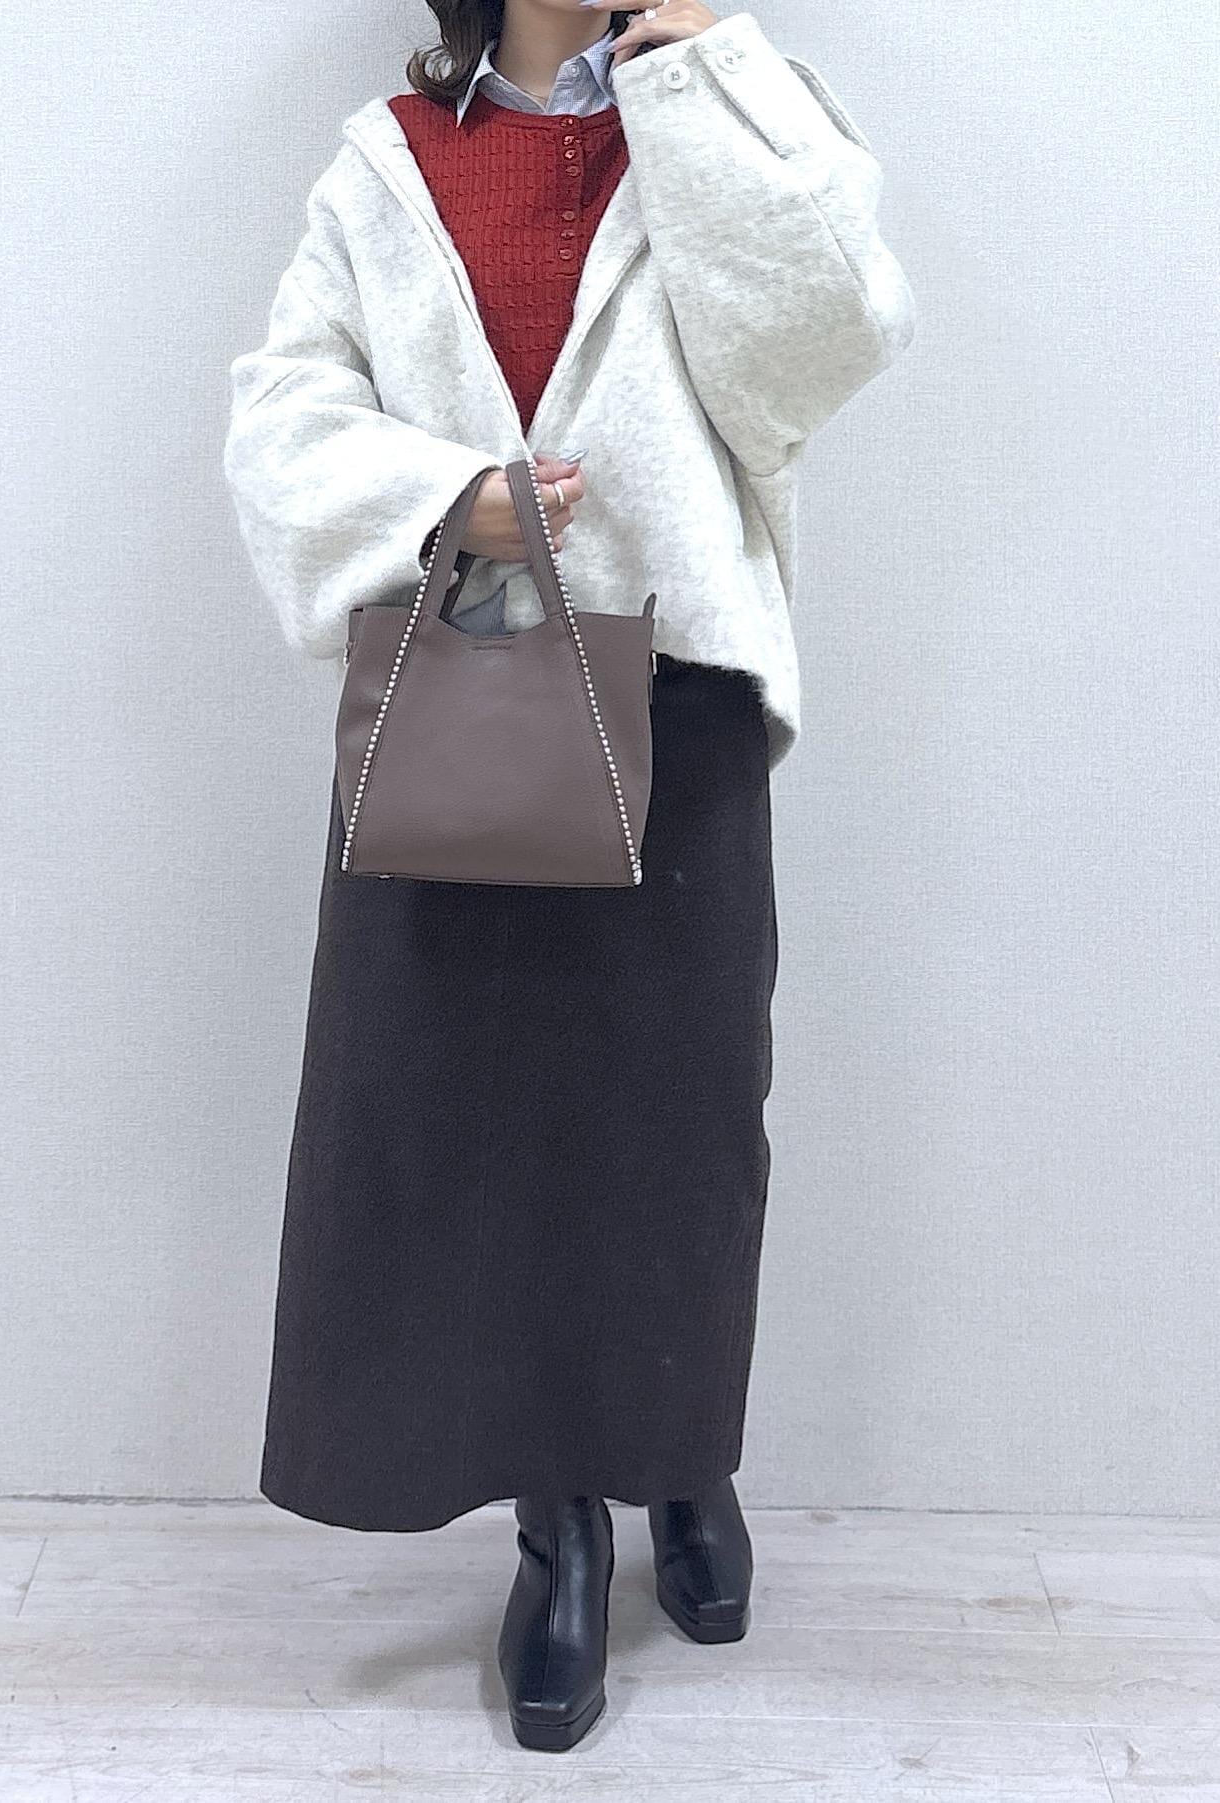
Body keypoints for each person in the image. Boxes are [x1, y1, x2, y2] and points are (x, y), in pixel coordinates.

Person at [223, 0, 915, 1755]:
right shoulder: (393, 158)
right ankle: (559, 1528)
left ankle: (681, 1459)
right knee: (466, 1125)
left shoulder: (736, 104)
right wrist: (446, 492)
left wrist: (702, 76)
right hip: (459, 696)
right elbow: (283, 408)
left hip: (678, 686)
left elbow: (812, 359)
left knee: (677, 1128)